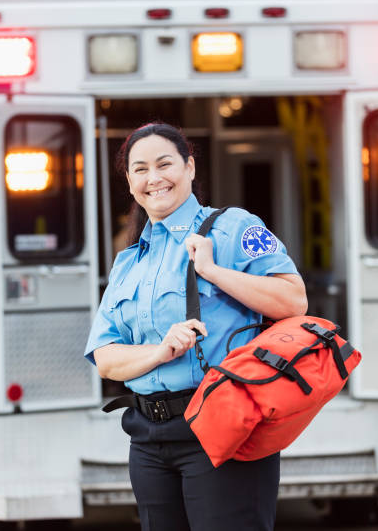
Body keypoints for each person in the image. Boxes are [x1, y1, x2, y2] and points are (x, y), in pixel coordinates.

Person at [84, 122, 307, 531]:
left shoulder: (234, 227)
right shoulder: (128, 262)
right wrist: (159, 351)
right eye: (140, 169)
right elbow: (106, 360)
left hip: (224, 429)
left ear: (189, 168)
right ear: (130, 182)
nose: (154, 178)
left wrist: (211, 269)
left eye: (164, 164)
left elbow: (293, 300)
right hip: (149, 441)